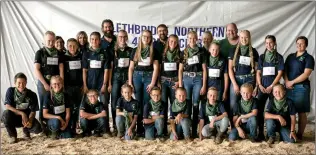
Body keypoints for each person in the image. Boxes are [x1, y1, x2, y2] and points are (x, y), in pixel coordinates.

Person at [128, 30, 159, 137]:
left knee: (146, 103)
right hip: (136, 77)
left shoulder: (154, 51)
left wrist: (152, 83)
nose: (146, 39)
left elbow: (156, 68)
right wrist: (130, 83)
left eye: (148, 37)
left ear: (151, 39)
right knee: (138, 103)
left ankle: (147, 127)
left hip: (149, 77)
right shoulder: (135, 51)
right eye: (144, 37)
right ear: (141, 38)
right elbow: (131, 68)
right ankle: (139, 128)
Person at [284, 36, 315, 140]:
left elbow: (306, 74)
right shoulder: (290, 56)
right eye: (297, 43)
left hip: (301, 87)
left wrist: (292, 82)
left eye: (301, 43)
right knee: (289, 110)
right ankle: (289, 132)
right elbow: (285, 71)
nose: (299, 45)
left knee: (301, 112)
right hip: (288, 87)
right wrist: (287, 81)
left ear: (306, 45)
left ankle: (300, 134)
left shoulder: (309, 58)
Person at [82, 31, 111, 136]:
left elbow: (107, 70)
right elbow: (84, 70)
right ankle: (88, 129)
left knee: (104, 105)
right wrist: (85, 85)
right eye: (92, 39)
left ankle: (106, 129)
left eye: (96, 39)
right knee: (88, 106)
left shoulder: (104, 53)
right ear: (90, 40)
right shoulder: (86, 53)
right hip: (89, 85)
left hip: (101, 85)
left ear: (100, 40)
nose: (94, 41)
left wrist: (105, 84)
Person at [178, 31, 207, 138]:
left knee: (195, 104)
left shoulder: (201, 52)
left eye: (194, 38)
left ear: (197, 39)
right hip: (186, 79)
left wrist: (204, 85)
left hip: (198, 79)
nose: (192, 40)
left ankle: (194, 130)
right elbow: (180, 70)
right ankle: (185, 129)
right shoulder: (183, 52)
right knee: (187, 103)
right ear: (187, 39)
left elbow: (204, 69)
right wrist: (181, 85)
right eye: (190, 38)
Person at [228, 30, 259, 126]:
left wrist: (256, 86)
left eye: (246, 37)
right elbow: (230, 69)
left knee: (249, 103)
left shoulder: (254, 51)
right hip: (236, 80)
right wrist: (234, 84)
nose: (244, 39)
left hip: (250, 80)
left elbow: (257, 70)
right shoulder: (233, 51)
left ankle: (249, 127)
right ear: (239, 38)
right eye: (241, 37)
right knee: (233, 104)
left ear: (249, 38)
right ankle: (234, 127)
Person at [256, 35, 284, 140]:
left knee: (274, 110)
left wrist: (272, 86)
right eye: (266, 43)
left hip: (274, 89)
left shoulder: (279, 57)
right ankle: (260, 133)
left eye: (270, 42)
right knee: (259, 109)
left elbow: (280, 73)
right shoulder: (262, 57)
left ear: (275, 43)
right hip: (262, 88)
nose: (268, 45)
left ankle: (271, 133)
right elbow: (258, 72)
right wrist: (259, 85)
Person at [34, 31, 64, 130]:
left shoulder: (58, 53)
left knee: (56, 102)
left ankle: (54, 125)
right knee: (44, 104)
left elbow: (61, 68)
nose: (51, 43)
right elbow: (36, 69)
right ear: (44, 41)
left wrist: (61, 82)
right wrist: (45, 84)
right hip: (44, 83)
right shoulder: (40, 53)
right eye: (48, 41)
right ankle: (44, 128)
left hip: (56, 83)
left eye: (52, 40)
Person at [2, 73, 42, 143]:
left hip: (26, 119)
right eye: (19, 83)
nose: (21, 85)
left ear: (26, 83)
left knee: (38, 129)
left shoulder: (32, 94)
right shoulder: (10, 91)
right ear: (15, 83)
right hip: (13, 117)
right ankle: (13, 136)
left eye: (23, 83)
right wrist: (22, 113)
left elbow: (33, 111)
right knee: (6, 114)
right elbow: (8, 106)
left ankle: (26, 133)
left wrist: (30, 120)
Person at [109, 30, 133, 136]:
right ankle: (115, 125)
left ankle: (129, 126)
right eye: (120, 37)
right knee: (114, 101)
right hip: (116, 78)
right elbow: (110, 68)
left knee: (128, 99)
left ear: (127, 38)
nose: (122, 39)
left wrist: (130, 79)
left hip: (126, 78)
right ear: (117, 38)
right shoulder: (113, 51)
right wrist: (109, 83)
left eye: (124, 37)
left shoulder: (131, 50)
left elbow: (132, 67)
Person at [159, 34, 181, 135]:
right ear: (168, 42)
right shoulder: (162, 54)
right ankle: (163, 130)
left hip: (174, 82)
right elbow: (159, 69)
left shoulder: (180, 54)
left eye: (175, 42)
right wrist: (158, 82)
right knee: (163, 104)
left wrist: (178, 82)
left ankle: (174, 130)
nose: (173, 43)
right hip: (163, 81)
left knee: (174, 105)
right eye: (171, 41)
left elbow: (181, 70)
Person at [63, 38, 83, 135]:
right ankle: (70, 127)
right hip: (68, 87)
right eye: (70, 46)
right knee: (70, 108)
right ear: (67, 47)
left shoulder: (81, 56)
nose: (72, 48)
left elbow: (84, 72)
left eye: (74, 45)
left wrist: (84, 85)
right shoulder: (64, 57)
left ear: (77, 46)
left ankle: (76, 125)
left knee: (78, 107)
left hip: (79, 87)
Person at [100, 19, 117, 133]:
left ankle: (116, 126)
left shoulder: (118, 40)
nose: (108, 29)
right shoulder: (99, 42)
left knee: (116, 102)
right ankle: (105, 127)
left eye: (110, 26)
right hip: (104, 77)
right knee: (104, 102)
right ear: (102, 29)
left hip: (117, 76)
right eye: (106, 27)